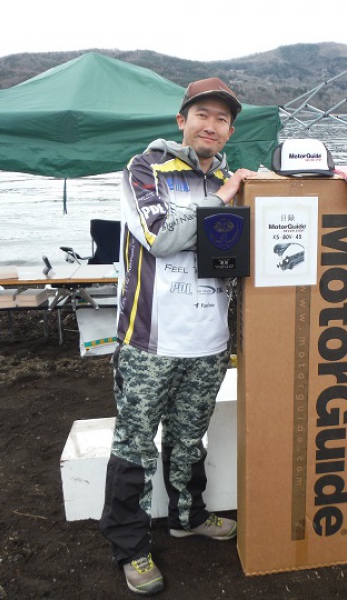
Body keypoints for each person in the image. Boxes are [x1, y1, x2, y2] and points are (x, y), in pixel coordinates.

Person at [98, 77, 255, 595]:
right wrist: (227, 199)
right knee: (135, 445)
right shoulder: (144, 169)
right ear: (181, 120)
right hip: (150, 342)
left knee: (190, 439)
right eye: (202, 115)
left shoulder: (232, 178)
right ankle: (131, 546)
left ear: (231, 129)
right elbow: (161, 236)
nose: (211, 126)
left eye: (222, 119)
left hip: (209, 342)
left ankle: (188, 515)